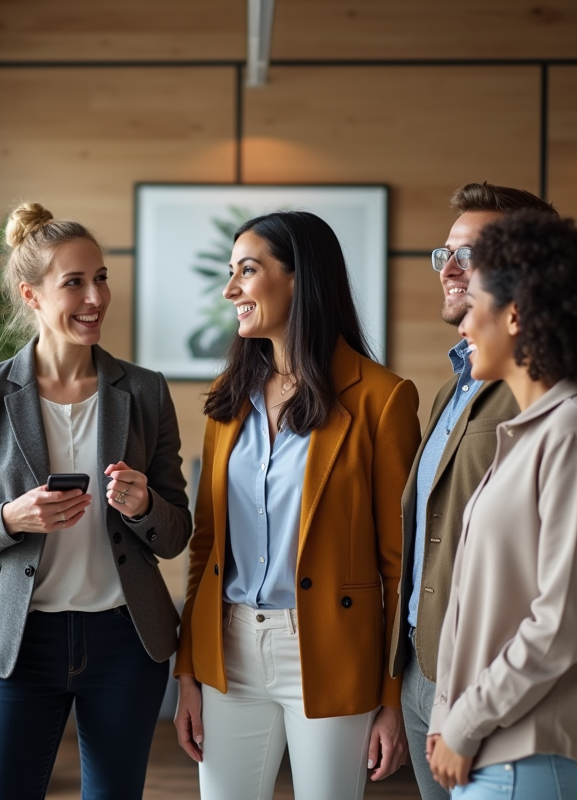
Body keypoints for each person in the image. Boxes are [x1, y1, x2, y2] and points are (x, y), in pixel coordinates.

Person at [0, 202, 192, 800]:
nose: (95, 297)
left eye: (100, 277)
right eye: (74, 282)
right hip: (21, 642)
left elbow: (177, 530)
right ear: (31, 295)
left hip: (125, 641)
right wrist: (9, 518)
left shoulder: (145, 391)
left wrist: (143, 506)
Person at [173, 210, 421, 799]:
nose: (231, 289)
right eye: (230, 272)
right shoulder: (226, 399)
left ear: (298, 278)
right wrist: (188, 671)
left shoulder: (383, 400)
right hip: (228, 649)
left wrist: (392, 699)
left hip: (331, 649)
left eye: (249, 271)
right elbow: (206, 546)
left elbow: (400, 566)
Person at [387, 182, 577, 800]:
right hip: (427, 671)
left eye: (474, 255)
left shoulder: (563, 407)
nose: (451, 270)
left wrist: (469, 715)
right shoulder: (448, 392)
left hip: (503, 694)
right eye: (446, 253)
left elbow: (561, 610)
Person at [426, 210, 577, 800]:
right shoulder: (530, 432)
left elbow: (562, 623)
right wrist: (450, 714)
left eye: (476, 308)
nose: (464, 323)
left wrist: (465, 723)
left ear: (515, 315)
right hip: (499, 747)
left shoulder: (574, 432)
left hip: (530, 754)